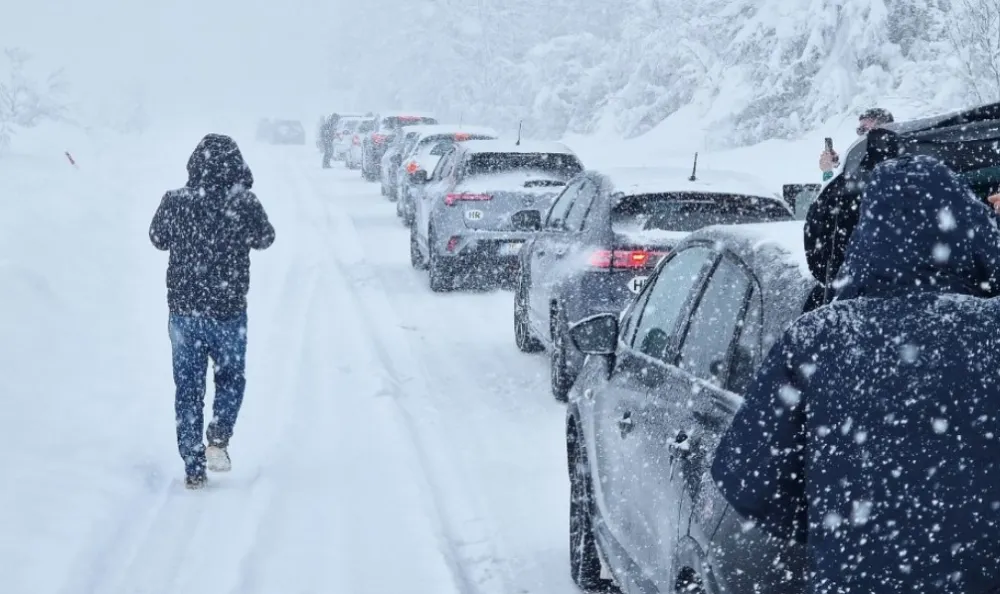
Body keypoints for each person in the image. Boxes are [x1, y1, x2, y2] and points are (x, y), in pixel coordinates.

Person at [711, 155, 1000, 593]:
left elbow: (752, 482)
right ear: (973, 229)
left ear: (866, 237)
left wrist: (840, 529)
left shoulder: (817, 338)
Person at [149, 133, 275, 489]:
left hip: (185, 312)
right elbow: (265, 238)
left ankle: (192, 463)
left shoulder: (175, 201)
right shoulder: (244, 202)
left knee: (187, 387)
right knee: (231, 377)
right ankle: (218, 439)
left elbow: (157, 239)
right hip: (228, 310)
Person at [819, 107, 895, 181]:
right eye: (859, 130)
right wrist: (836, 163)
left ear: (883, 130)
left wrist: (827, 172)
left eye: (863, 129)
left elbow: (842, 190)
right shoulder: (894, 155)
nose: (860, 134)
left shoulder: (885, 166)